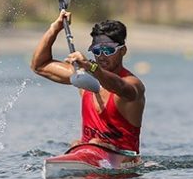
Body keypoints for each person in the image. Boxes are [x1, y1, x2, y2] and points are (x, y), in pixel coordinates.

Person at [31, 10, 145, 159]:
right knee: (77, 143)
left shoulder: (133, 84)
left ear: (123, 51)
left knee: (96, 141)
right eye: (97, 50)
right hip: (88, 152)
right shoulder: (83, 77)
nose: (102, 56)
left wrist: (91, 67)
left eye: (108, 50)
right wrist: (55, 28)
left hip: (123, 158)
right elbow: (39, 66)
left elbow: (119, 87)